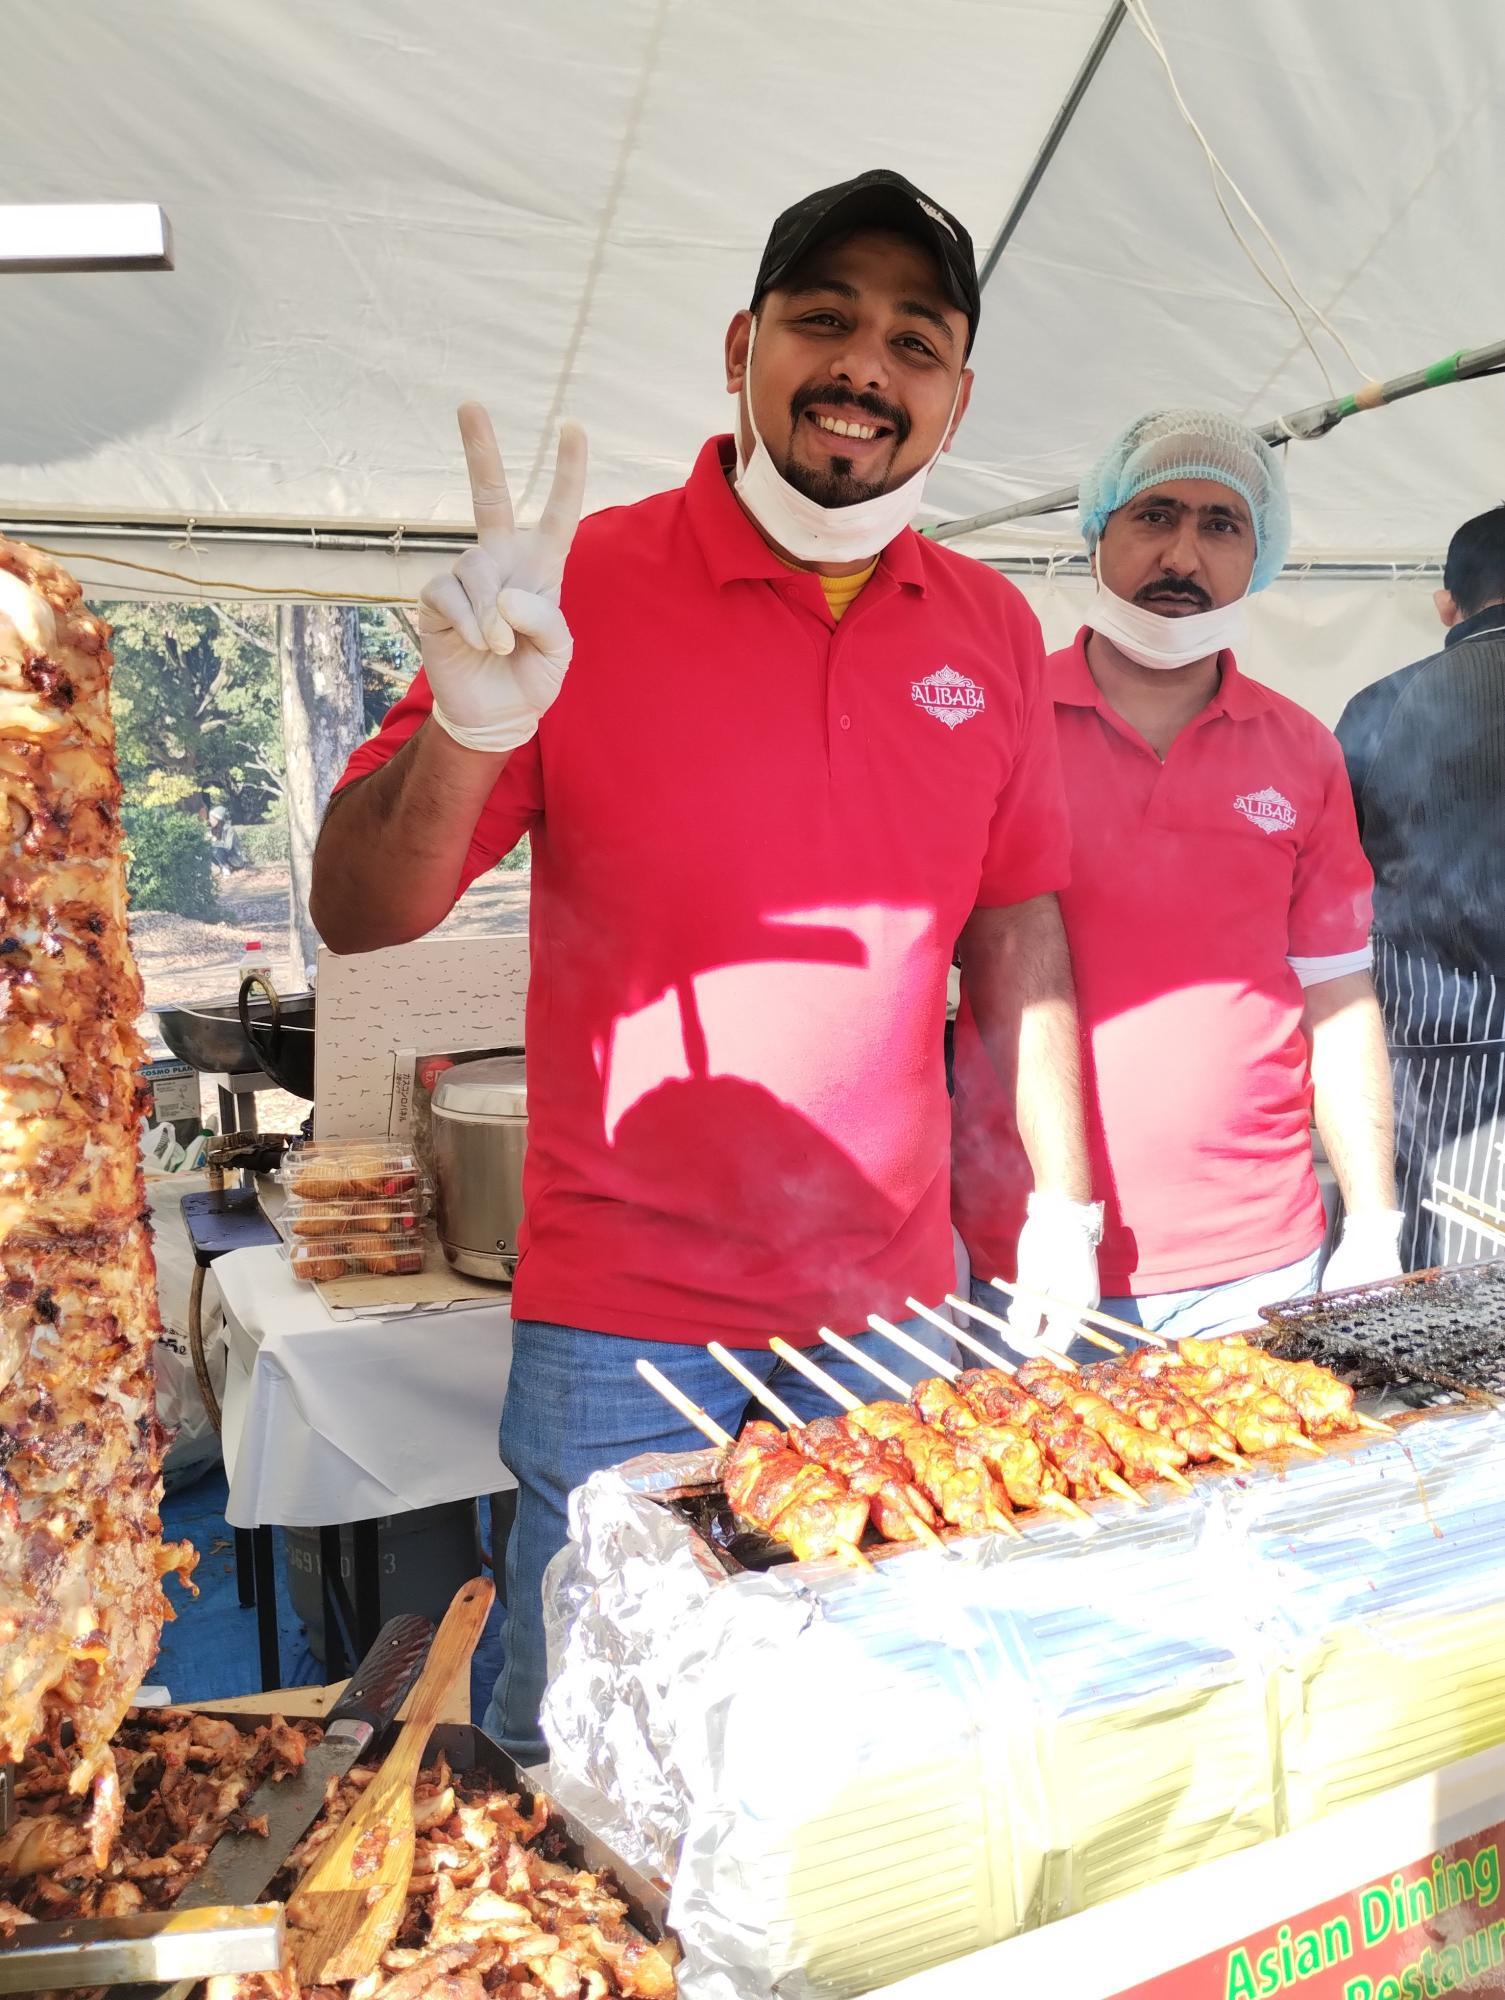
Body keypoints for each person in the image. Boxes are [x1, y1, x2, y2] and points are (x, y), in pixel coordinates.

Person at [310, 169, 1099, 1762]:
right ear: (742, 342)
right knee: (588, 1742)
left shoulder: (994, 632)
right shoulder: (578, 583)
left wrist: (1065, 1206)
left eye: (914, 339)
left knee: (854, 1722)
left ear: (955, 395)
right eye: (824, 319)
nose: (864, 367)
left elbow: (1017, 923)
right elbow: (360, 911)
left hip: (886, 1307)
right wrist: (472, 722)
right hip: (623, 1317)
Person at [952, 409, 1404, 1349]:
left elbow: (1336, 991)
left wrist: (1372, 1221)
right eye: (1154, 516)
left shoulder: (1302, 751)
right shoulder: (1001, 724)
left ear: (1259, 557)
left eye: (1220, 525)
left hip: (1258, 1257)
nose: (1183, 558)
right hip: (1029, 1248)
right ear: (1098, 533)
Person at [1336, 504, 1505, 1270]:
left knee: (1428, 1307)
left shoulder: (1379, 707)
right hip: (1434, 1065)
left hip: (1431, 1068)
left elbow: (1327, 892)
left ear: (1447, 602)